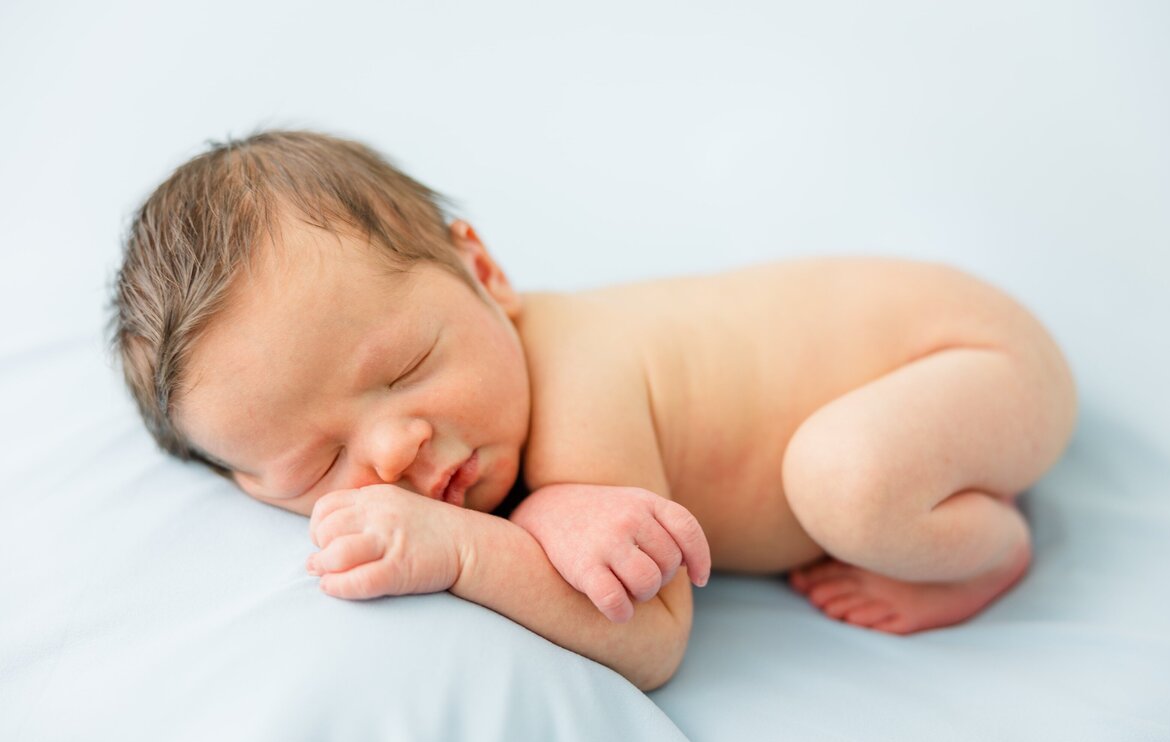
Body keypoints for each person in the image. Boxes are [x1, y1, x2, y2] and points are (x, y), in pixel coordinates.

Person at [107, 129, 1077, 691]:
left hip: (973, 362)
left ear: (485, 272)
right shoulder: (485, 416)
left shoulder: (576, 378)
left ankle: (992, 548)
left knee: (848, 482)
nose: (395, 451)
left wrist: (463, 549)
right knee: (844, 468)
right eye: (318, 465)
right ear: (249, 484)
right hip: (941, 367)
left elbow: (653, 637)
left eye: (405, 368)